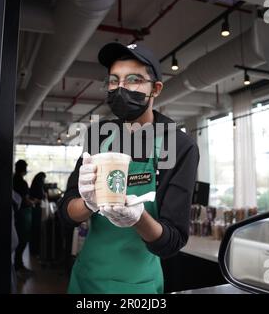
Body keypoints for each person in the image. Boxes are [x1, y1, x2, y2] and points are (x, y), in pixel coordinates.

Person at [59, 42, 199, 294]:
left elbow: (172, 241)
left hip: (137, 287)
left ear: (155, 89)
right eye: (114, 81)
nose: (121, 88)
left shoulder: (177, 145)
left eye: (133, 80)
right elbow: (66, 212)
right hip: (86, 278)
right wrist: (88, 204)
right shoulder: (99, 136)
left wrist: (138, 218)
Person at [13, 160, 34, 272]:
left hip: (14, 214)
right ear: (23, 169)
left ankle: (18, 264)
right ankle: (18, 265)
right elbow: (25, 200)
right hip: (23, 214)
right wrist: (33, 202)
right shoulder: (22, 182)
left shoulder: (12, 179)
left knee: (17, 240)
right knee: (23, 240)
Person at [29, 172, 46, 256]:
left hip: (36, 209)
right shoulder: (38, 186)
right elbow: (37, 198)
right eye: (43, 178)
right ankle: (34, 250)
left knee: (35, 230)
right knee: (36, 229)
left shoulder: (36, 184)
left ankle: (34, 250)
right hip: (36, 209)